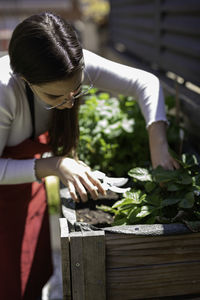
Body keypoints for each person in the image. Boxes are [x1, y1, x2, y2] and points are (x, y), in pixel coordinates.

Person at [0, 12, 179, 300]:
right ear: (25, 80)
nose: (70, 102)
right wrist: (56, 164)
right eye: (55, 97)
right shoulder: (2, 91)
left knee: (31, 275)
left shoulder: (72, 65)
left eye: (76, 90)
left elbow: (146, 83)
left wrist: (158, 146)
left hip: (27, 186)